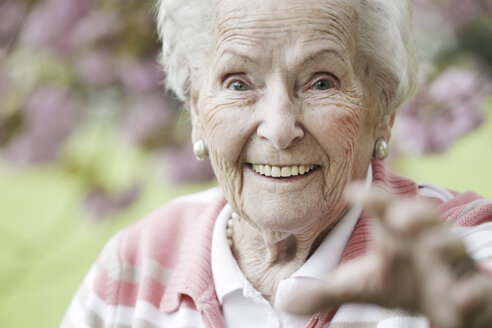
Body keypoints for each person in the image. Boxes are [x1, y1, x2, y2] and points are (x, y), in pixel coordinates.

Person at [61, 0, 492, 327]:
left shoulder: (462, 253)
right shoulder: (134, 266)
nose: (279, 128)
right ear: (196, 109)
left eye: (321, 81)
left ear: (382, 107)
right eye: (238, 82)